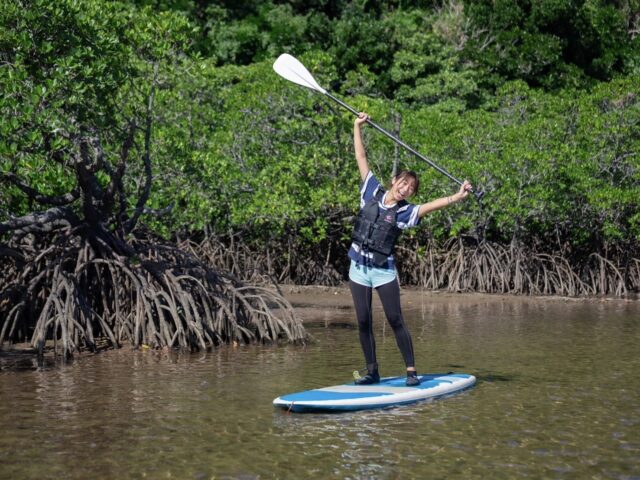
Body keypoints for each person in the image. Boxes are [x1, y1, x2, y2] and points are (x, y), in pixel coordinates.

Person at [349, 112, 473, 386]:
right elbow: (361, 157)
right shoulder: (371, 191)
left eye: (411, 188)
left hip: (383, 272)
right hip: (358, 269)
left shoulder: (406, 213)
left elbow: (432, 205)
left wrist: (458, 195)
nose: (405, 188)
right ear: (394, 180)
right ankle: (371, 371)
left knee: (395, 319)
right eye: (403, 182)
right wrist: (357, 126)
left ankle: (411, 371)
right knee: (363, 321)